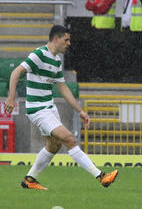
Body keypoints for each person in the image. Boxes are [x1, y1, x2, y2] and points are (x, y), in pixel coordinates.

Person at [4, 25, 119, 190]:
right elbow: (16, 72)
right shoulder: (39, 55)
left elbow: (63, 88)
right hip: (38, 110)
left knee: (54, 146)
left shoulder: (56, 60)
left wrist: (80, 111)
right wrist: (11, 98)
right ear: (56, 39)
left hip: (50, 108)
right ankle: (101, 177)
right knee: (70, 139)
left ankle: (30, 179)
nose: (69, 43)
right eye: (66, 39)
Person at [85, 0, 117, 82]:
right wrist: (96, 5)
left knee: (105, 54)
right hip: (96, 27)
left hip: (106, 28)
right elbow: (87, 5)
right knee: (96, 53)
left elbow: (104, 9)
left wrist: (95, 5)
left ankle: (106, 77)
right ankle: (97, 76)